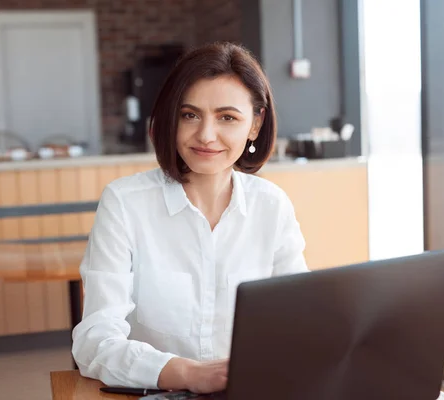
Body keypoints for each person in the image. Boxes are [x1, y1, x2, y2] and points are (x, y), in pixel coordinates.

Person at [71, 42, 308, 394]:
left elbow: (301, 322)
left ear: (255, 125)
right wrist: (185, 373)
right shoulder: (124, 203)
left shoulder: (271, 206)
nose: (206, 135)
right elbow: (94, 341)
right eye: (190, 115)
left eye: (227, 117)